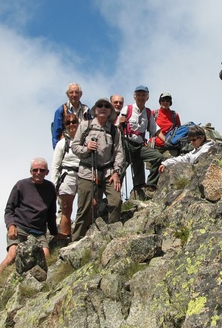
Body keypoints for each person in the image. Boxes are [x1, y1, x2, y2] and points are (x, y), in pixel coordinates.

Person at [0, 158, 58, 283]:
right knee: (12, 255)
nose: (38, 172)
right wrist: (11, 226)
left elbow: (51, 213)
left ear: (47, 172)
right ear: (30, 171)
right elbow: (9, 209)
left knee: (46, 257)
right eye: (35, 170)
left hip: (38, 232)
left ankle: (43, 285)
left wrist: (55, 232)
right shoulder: (21, 185)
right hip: (20, 227)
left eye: (41, 170)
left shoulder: (50, 188)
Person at [71, 98, 124, 240]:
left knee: (116, 200)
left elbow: (119, 152)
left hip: (108, 172)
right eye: (100, 105)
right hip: (87, 171)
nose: (103, 108)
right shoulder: (85, 125)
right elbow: (75, 146)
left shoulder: (114, 130)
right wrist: (86, 149)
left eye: (107, 106)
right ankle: (76, 240)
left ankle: (113, 236)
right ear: (95, 110)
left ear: (110, 111)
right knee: (84, 208)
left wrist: (116, 172)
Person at [119, 85, 166, 195]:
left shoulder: (148, 113)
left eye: (143, 95)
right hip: (126, 144)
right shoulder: (128, 109)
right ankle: (114, 197)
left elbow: (155, 130)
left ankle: (150, 186)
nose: (141, 97)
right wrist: (120, 122)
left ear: (147, 97)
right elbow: (118, 126)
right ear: (134, 97)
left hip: (139, 146)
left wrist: (167, 141)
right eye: (139, 95)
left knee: (158, 157)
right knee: (120, 170)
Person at [51, 114, 80, 240]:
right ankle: (65, 236)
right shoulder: (62, 144)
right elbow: (55, 165)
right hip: (67, 175)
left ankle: (81, 234)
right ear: (65, 126)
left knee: (88, 206)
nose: (71, 124)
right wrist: (54, 185)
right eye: (68, 123)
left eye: (74, 122)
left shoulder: (85, 140)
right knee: (66, 208)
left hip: (83, 174)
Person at [51, 83, 91, 149]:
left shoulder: (86, 110)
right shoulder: (61, 110)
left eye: (76, 92)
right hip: (67, 146)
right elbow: (56, 133)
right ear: (67, 95)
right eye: (71, 92)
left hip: (83, 146)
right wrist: (57, 149)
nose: (74, 95)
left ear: (80, 94)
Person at [151, 92, 182, 157]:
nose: (165, 102)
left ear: (170, 103)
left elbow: (179, 130)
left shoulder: (174, 115)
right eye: (163, 100)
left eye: (167, 101)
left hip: (169, 147)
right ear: (160, 102)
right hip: (155, 145)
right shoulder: (154, 113)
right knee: (153, 166)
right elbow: (145, 126)